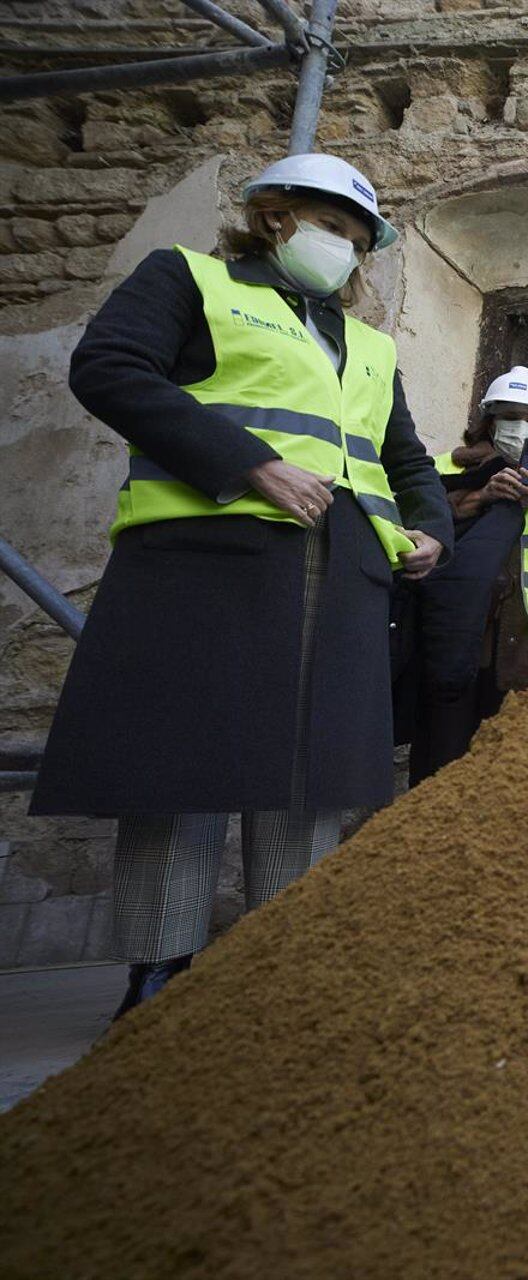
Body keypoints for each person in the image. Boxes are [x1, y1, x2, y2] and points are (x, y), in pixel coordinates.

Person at [33, 154, 453, 1016]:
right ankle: (159, 981)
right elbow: (110, 368)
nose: (345, 250)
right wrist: (251, 464)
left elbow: (405, 459)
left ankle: (280, 979)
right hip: (205, 560)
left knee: (314, 782)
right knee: (180, 773)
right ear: (273, 216)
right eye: (332, 228)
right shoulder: (190, 280)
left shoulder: (369, 346)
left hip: (342, 574)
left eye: (357, 240)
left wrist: (431, 533)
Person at [399, 366, 528, 783]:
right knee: (442, 772)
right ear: (488, 421)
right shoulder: (438, 471)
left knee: (520, 781)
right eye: (509, 415)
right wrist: (479, 497)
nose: (520, 426)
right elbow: (410, 538)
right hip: (449, 644)